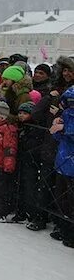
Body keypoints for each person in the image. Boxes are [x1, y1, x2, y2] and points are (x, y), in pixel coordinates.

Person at [16, 101, 52, 231]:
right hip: (24, 160)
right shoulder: (22, 127)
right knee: (23, 186)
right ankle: (22, 211)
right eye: (20, 113)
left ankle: (33, 213)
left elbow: (39, 145)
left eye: (25, 113)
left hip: (33, 162)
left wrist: (30, 153)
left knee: (31, 188)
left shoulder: (37, 127)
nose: (21, 116)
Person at [49, 87, 74, 248]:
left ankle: (70, 233)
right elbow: (58, 136)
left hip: (70, 162)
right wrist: (57, 126)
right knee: (62, 198)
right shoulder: (66, 114)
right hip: (63, 160)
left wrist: (64, 129)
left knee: (71, 201)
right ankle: (63, 227)